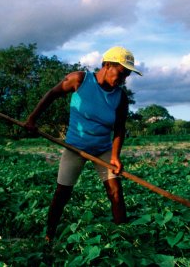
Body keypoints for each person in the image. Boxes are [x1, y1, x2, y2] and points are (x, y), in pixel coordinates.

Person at [24, 46, 141, 242]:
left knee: (116, 191)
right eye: (121, 73)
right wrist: (32, 120)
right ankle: (49, 236)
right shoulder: (79, 80)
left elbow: (119, 128)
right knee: (63, 191)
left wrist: (115, 156)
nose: (123, 80)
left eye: (127, 76)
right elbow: (51, 95)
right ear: (106, 65)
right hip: (75, 147)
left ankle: (124, 238)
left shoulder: (120, 97)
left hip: (102, 149)